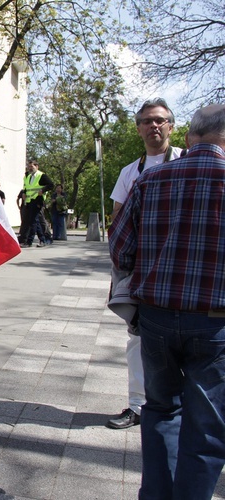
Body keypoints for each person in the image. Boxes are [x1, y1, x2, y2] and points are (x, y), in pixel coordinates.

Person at [109, 104, 225, 499]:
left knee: (159, 411)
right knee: (207, 427)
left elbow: (121, 250)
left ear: (190, 135)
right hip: (215, 322)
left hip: (156, 318)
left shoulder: (151, 180)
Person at [106, 98, 182, 430]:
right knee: (138, 339)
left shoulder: (187, 159)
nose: (154, 126)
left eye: (160, 120)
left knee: (186, 338)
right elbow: (118, 220)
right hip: (142, 271)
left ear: (171, 126)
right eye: (147, 121)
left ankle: (183, 405)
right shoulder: (130, 172)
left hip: (182, 267)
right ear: (138, 129)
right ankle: (137, 405)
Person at [18, 159, 53, 247]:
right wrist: (24, 193)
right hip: (29, 201)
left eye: (32, 166)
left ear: (37, 167)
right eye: (29, 167)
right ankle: (35, 240)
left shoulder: (41, 175)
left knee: (35, 221)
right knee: (31, 221)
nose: (30, 168)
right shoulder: (27, 175)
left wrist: (43, 190)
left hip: (37, 200)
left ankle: (33, 241)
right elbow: (26, 187)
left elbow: (51, 185)